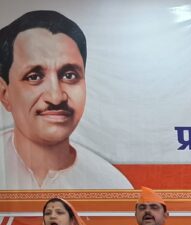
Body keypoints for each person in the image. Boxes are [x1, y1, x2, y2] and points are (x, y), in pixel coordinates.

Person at [0, 10, 131, 190]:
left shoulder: (111, 186)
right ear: (4, 93)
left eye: (69, 75)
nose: (56, 97)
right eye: (34, 77)